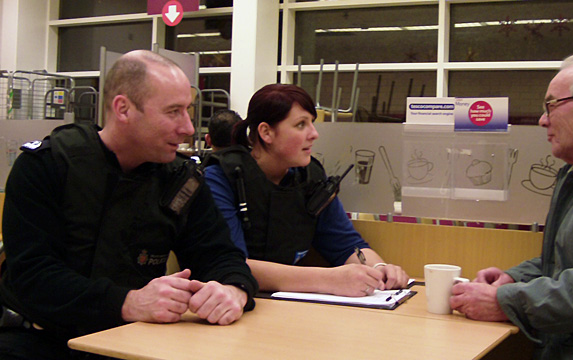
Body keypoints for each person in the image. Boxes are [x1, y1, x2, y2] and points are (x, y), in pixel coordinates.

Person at [0, 50, 258, 359]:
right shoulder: (47, 166)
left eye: (187, 110)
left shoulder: (181, 180)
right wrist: (128, 302)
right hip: (35, 339)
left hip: (128, 339)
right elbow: (35, 277)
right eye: (173, 111)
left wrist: (232, 290)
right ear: (123, 109)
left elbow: (221, 255)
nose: (188, 128)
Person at [450, 54, 573, 359]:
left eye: (551, 105)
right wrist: (516, 278)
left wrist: (507, 300)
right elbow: (566, 261)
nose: (542, 119)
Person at [204, 83, 409, 297]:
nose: (314, 134)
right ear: (266, 132)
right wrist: (329, 279)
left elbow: (347, 244)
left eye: (312, 123)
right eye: (301, 125)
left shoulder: (310, 178)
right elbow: (232, 264)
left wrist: (378, 269)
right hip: (231, 304)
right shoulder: (221, 178)